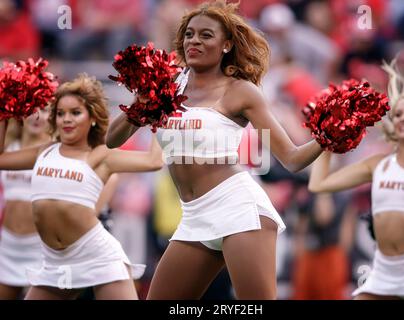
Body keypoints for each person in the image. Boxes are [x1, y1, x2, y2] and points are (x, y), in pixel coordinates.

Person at [107, 0, 323, 299]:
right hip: (194, 215)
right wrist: (141, 102)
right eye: (189, 34)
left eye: (206, 35)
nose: (194, 40)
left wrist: (328, 138)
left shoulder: (240, 90)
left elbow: (292, 158)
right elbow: (111, 140)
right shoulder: (169, 86)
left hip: (239, 209)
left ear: (226, 45)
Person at [0, 73, 163, 300]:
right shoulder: (44, 151)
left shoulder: (100, 154)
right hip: (54, 262)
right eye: (60, 113)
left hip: (96, 256)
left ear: (92, 117)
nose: (67, 119)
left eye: (75, 113)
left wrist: (161, 114)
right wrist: (4, 112)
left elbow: (154, 161)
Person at [308, 58, 404, 299]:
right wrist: (326, 137)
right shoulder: (379, 165)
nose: (403, 118)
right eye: (398, 114)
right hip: (386, 269)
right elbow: (318, 184)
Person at [0, 111, 51, 300]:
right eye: (31, 110)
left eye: (45, 110)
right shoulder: (7, 147)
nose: (37, 117)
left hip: (40, 248)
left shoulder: (53, 150)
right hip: (7, 246)